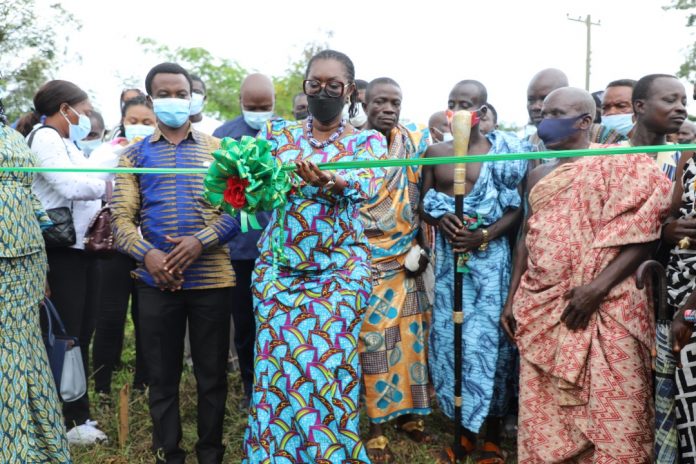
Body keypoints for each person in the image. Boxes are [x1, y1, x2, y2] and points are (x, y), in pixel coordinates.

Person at [504, 87, 671, 462]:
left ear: (583, 121)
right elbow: (527, 240)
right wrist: (512, 296)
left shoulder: (624, 162)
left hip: (608, 307)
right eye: (542, 114)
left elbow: (645, 233)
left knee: (617, 416)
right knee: (547, 413)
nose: (543, 121)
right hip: (543, 307)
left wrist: (595, 289)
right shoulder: (539, 176)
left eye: (554, 113)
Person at [242, 49, 386, 463]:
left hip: (339, 272)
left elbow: (367, 184)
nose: (323, 92)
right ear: (305, 87)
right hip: (278, 274)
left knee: (326, 372)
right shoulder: (275, 135)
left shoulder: (368, 140)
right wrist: (247, 186)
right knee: (274, 373)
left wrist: (332, 180)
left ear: (350, 91)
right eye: (315, 84)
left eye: (333, 85)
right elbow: (257, 190)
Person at [111, 62, 239, 464]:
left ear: (192, 98)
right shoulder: (133, 155)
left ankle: (210, 454)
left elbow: (237, 212)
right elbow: (121, 219)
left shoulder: (220, 151)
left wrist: (199, 242)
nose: (174, 100)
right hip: (155, 283)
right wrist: (149, 255)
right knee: (163, 378)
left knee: (212, 377)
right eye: (164, 94)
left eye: (180, 93)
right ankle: (170, 454)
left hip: (212, 280)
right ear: (151, 101)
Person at [421, 79, 528, 463]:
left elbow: (517, 210)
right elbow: (423, 205)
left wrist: (483, 235)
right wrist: (442, 220)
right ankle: (463, 432)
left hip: (491, 264)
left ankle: (493, 436)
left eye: (465, 104)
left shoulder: (503, 155)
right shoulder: (435, 152)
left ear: (482, 113)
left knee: (491, 347)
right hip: (452, 265)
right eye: (451, 103)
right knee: (455, 342)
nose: (456, 110)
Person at [17, 79, 110, 444]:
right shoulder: (44, 139)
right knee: (64, 337)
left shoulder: (66, 142)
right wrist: (108, 178)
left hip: (79, 251)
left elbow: (83, 181)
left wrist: (99, 177)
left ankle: (76, 414)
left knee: (80, 334)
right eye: (84, 113)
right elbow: (72, 186)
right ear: (64, 109)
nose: (86, 119)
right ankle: (66, 421)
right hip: (58, 253)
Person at [358, 77, 432, 463]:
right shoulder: (354, 145)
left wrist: (421, 244)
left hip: (408, 256)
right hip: (369, 259)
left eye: (395, 103)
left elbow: (423, 193)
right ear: (364, 102)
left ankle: (409, 415)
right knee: (375, 343)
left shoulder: (412, 142)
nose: (388, 109)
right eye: (380, 102)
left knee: (410, 339)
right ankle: (376, 425)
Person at [0, 97, 72, 462]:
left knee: (22, 345)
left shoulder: (10, 132)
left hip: (26, 254)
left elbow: (27, 196)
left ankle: (36, 446)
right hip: (5, 253)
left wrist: (42, 262)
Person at [90, 96, 156, 398]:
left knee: (148, 318)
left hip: (152, 248)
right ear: (123, 121)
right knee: (110, 317)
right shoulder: (109, 149)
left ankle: (145, 382)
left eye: (147, 122)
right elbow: (92, 178)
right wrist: (120, 152)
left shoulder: (161, 153)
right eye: (133, 121)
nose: (139, 127)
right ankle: (102, 386)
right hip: (116, 246)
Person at [526, 68, 624, 153]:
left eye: (544, 98)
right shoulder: (527, 145)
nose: (535, 107)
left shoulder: (604, 135)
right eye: (531, 100)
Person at [629, 74, 687, 181]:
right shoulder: (609, 156)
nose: (681, 108)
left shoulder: (686, 158)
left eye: (684, 103)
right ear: (640, 106)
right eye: (670, 100)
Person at [213, 73, 275, 139]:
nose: (258, 115)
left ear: (274, 100)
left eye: (265, 108)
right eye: (251, 108)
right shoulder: (223, 135)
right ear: (241, 100)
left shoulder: (285, 133)